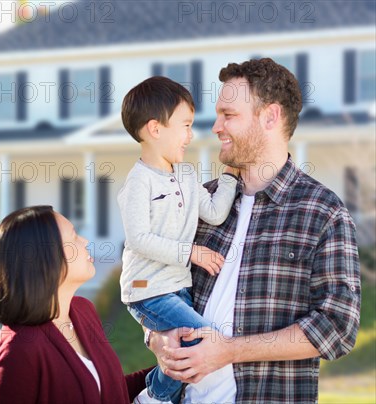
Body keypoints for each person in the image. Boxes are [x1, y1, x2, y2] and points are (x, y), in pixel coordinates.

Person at [145, 58, 361, 404]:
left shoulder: (322, 212)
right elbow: (152, 283)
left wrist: (229, 351)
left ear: (270, 117)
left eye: (228, 115)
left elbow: (338, 327)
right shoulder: (199, 203)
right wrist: (157, 337)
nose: (215, 126)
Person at [118, 76, 239, 403]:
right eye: (185, 126)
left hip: (178, 287)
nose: (191, 135)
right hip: (147, 290)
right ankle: (152, 397)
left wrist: (229, 176)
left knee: (183, 348)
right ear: (155, 129)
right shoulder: (139, 183)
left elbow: (213, 212)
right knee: (205, 341)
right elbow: (140, 239)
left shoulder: (185, 174)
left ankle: (159, 397)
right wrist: (191, 252)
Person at [0, 205, 153, 404]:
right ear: (46, 257)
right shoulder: (18, 350)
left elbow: (109, 391)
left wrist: (171, 369)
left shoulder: (83, 310)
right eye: (74, 236)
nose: (85, 241)